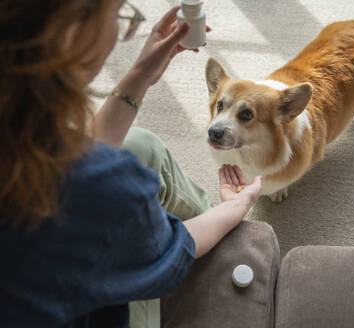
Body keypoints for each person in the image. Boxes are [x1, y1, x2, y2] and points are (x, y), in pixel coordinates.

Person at [0, 1, 262, 327]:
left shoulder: (26, 135)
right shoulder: (104, 186)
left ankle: (202, 215)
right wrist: (235, 208)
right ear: (70, 34)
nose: (121, 28)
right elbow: (175, 249)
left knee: (139, 143)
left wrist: (140, 75)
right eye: (116, 14)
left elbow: (82, 160)